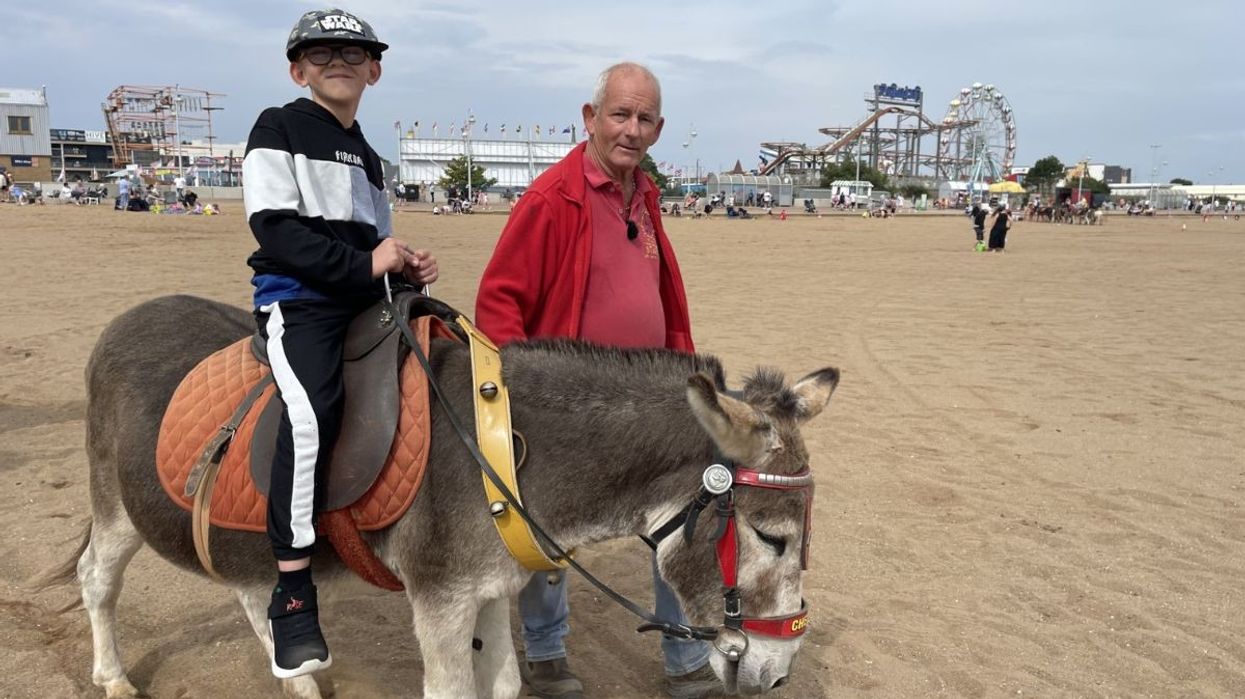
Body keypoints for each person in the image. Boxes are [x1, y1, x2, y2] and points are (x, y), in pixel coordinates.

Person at [475, 62, 715, 699]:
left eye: (644, 119)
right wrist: (525, 398)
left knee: (691, 510)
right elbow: (500, 301)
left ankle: (687, 656)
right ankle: (548, 654)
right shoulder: (553, 198)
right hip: (571, 406)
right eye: (619, 114)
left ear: (658, 129)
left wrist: (688, 386)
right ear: (590, 117)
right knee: (548, 529)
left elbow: (665, 300)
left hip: (653, 402)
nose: (631, 130)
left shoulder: (645, 195)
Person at [241, 8, 438, 679]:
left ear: (374, 71)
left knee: (445, 373)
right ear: (298, 70)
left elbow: (369, 239)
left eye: (354, 53)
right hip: (299, 303)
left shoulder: (369, 156)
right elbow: (276, 229)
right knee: (311, 410)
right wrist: (363, 266)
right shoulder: (277, 126)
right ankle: (293, 587)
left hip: (363, 300)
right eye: (321, 52)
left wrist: (404, 263)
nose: (339, 60)